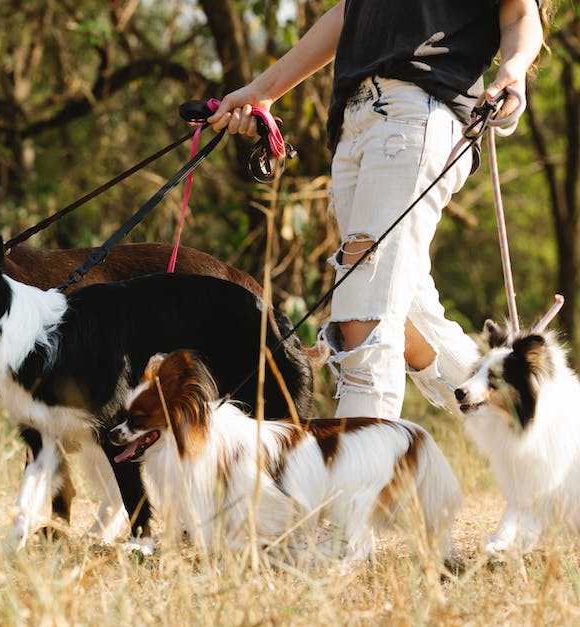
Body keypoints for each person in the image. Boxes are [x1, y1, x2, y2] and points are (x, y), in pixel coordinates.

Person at [208, 0, 545, 419]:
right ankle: (543, 424)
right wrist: (263, 91)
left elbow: (519, 12)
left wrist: (513, 72)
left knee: (364, 320)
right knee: (407, 319)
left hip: (415, 113)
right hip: (353, 123)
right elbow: (349, 14)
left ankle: (358, 479)